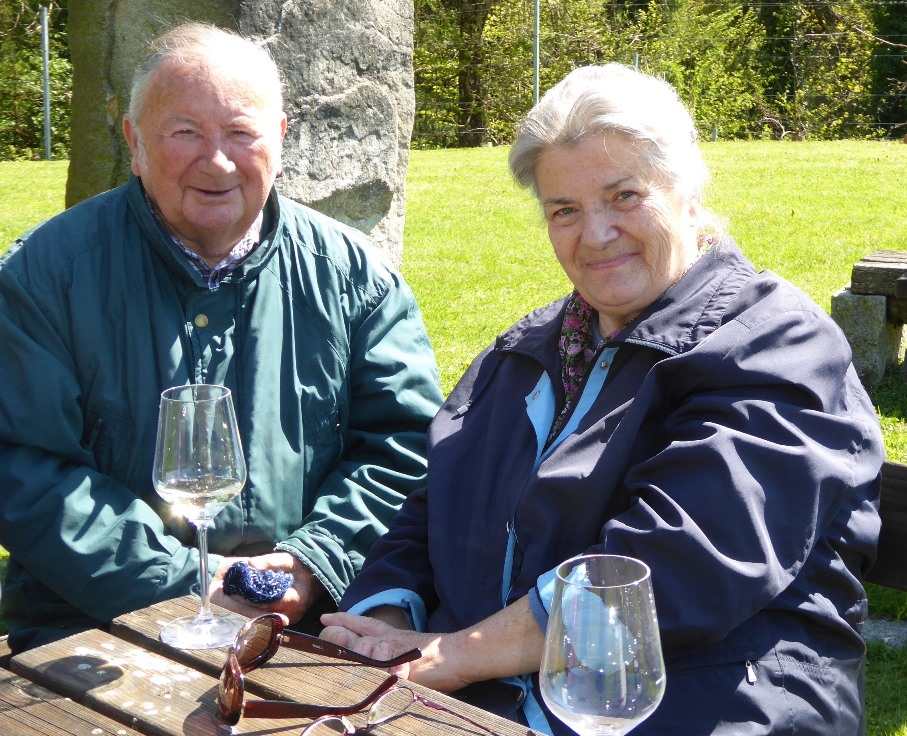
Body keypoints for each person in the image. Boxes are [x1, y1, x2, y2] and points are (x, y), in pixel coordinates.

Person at [319, 64, 885, 735]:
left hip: (703, 705)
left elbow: (674, 567)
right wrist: (387, 624)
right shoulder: (526, 351)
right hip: (501, 700)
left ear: (687, 194)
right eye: (564, 210)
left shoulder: (772, 345)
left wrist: (455, 656)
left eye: (623, 197)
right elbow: (431, 505)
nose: (594, 234)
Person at [0, 23, 444, 654]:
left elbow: (406, 446)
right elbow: (24, 466)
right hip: (94, 631)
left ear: (282, 140)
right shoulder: (46, 277)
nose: (217, 160)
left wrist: (313, 562)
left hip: (308, 628)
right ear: (134, 141)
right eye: (185, 132)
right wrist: (191, 583)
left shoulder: (354, 278)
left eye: (241, 132)